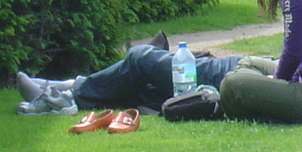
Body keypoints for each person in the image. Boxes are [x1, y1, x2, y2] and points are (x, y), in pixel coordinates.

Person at [15, 31, 244, 116]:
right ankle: (64, 91)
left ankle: (69, 93)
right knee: (147, 86)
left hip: (239, 73)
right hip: (241, 68)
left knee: (140, 57)